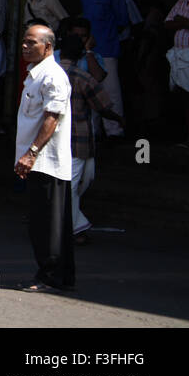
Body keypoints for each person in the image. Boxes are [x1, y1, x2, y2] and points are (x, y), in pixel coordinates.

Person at [14, 23, 74, 292]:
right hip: (36, 162)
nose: (25, 47)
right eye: (24, 42)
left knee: (50, 225)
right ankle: (51, 274)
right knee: (39, 222)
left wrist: (32, 153)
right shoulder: (34, 75)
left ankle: (54, 277)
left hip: (47, 162)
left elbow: (52, 118)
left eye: (31, 43)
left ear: (48, 47)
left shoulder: (53, 76)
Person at [60, 32, 123, 244]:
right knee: (74, 185)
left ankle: (71, 226)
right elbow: (103, 106)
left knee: (71, 184)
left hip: (53, 139)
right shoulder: (82, 77)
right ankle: (74, 228)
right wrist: (119, 120)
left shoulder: (47, 75)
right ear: (79, 53)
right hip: (79, 140)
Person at [80, 0, 129, 138]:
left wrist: (108, 35)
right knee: (90, 91)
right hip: (89, 49)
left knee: (111, 92)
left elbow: (122, 20)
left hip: (107, 48)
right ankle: (93, 131)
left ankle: (115, 132)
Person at [164, 0, 189, 148]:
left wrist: (182, 21)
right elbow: (167, 22)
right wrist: (187, 22)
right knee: (186, 97)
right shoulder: (183, 0)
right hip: (180, 56)